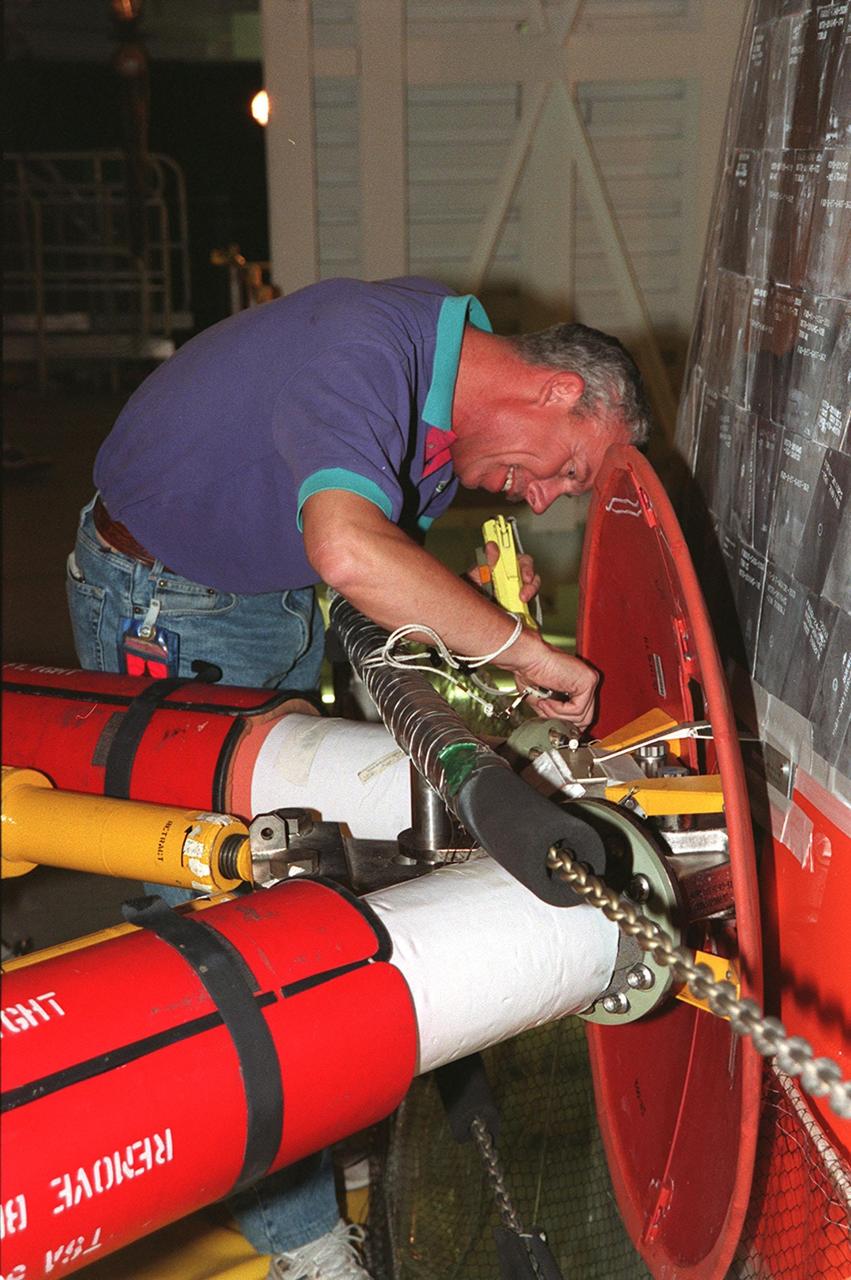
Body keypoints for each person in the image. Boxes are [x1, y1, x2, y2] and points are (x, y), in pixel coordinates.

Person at [66, 275, 650, 1279]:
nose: (546, 496)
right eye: (570, 470)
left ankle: (299, 1149)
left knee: (292, 882)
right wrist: (523, 650)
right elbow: (346, 548)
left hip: (254, 599)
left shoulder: (429, 419)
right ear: (559, 391)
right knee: (217, 928)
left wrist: (483, 645)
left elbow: (374, 562)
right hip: (169, 602)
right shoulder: (372, 350)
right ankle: (304, 1249)